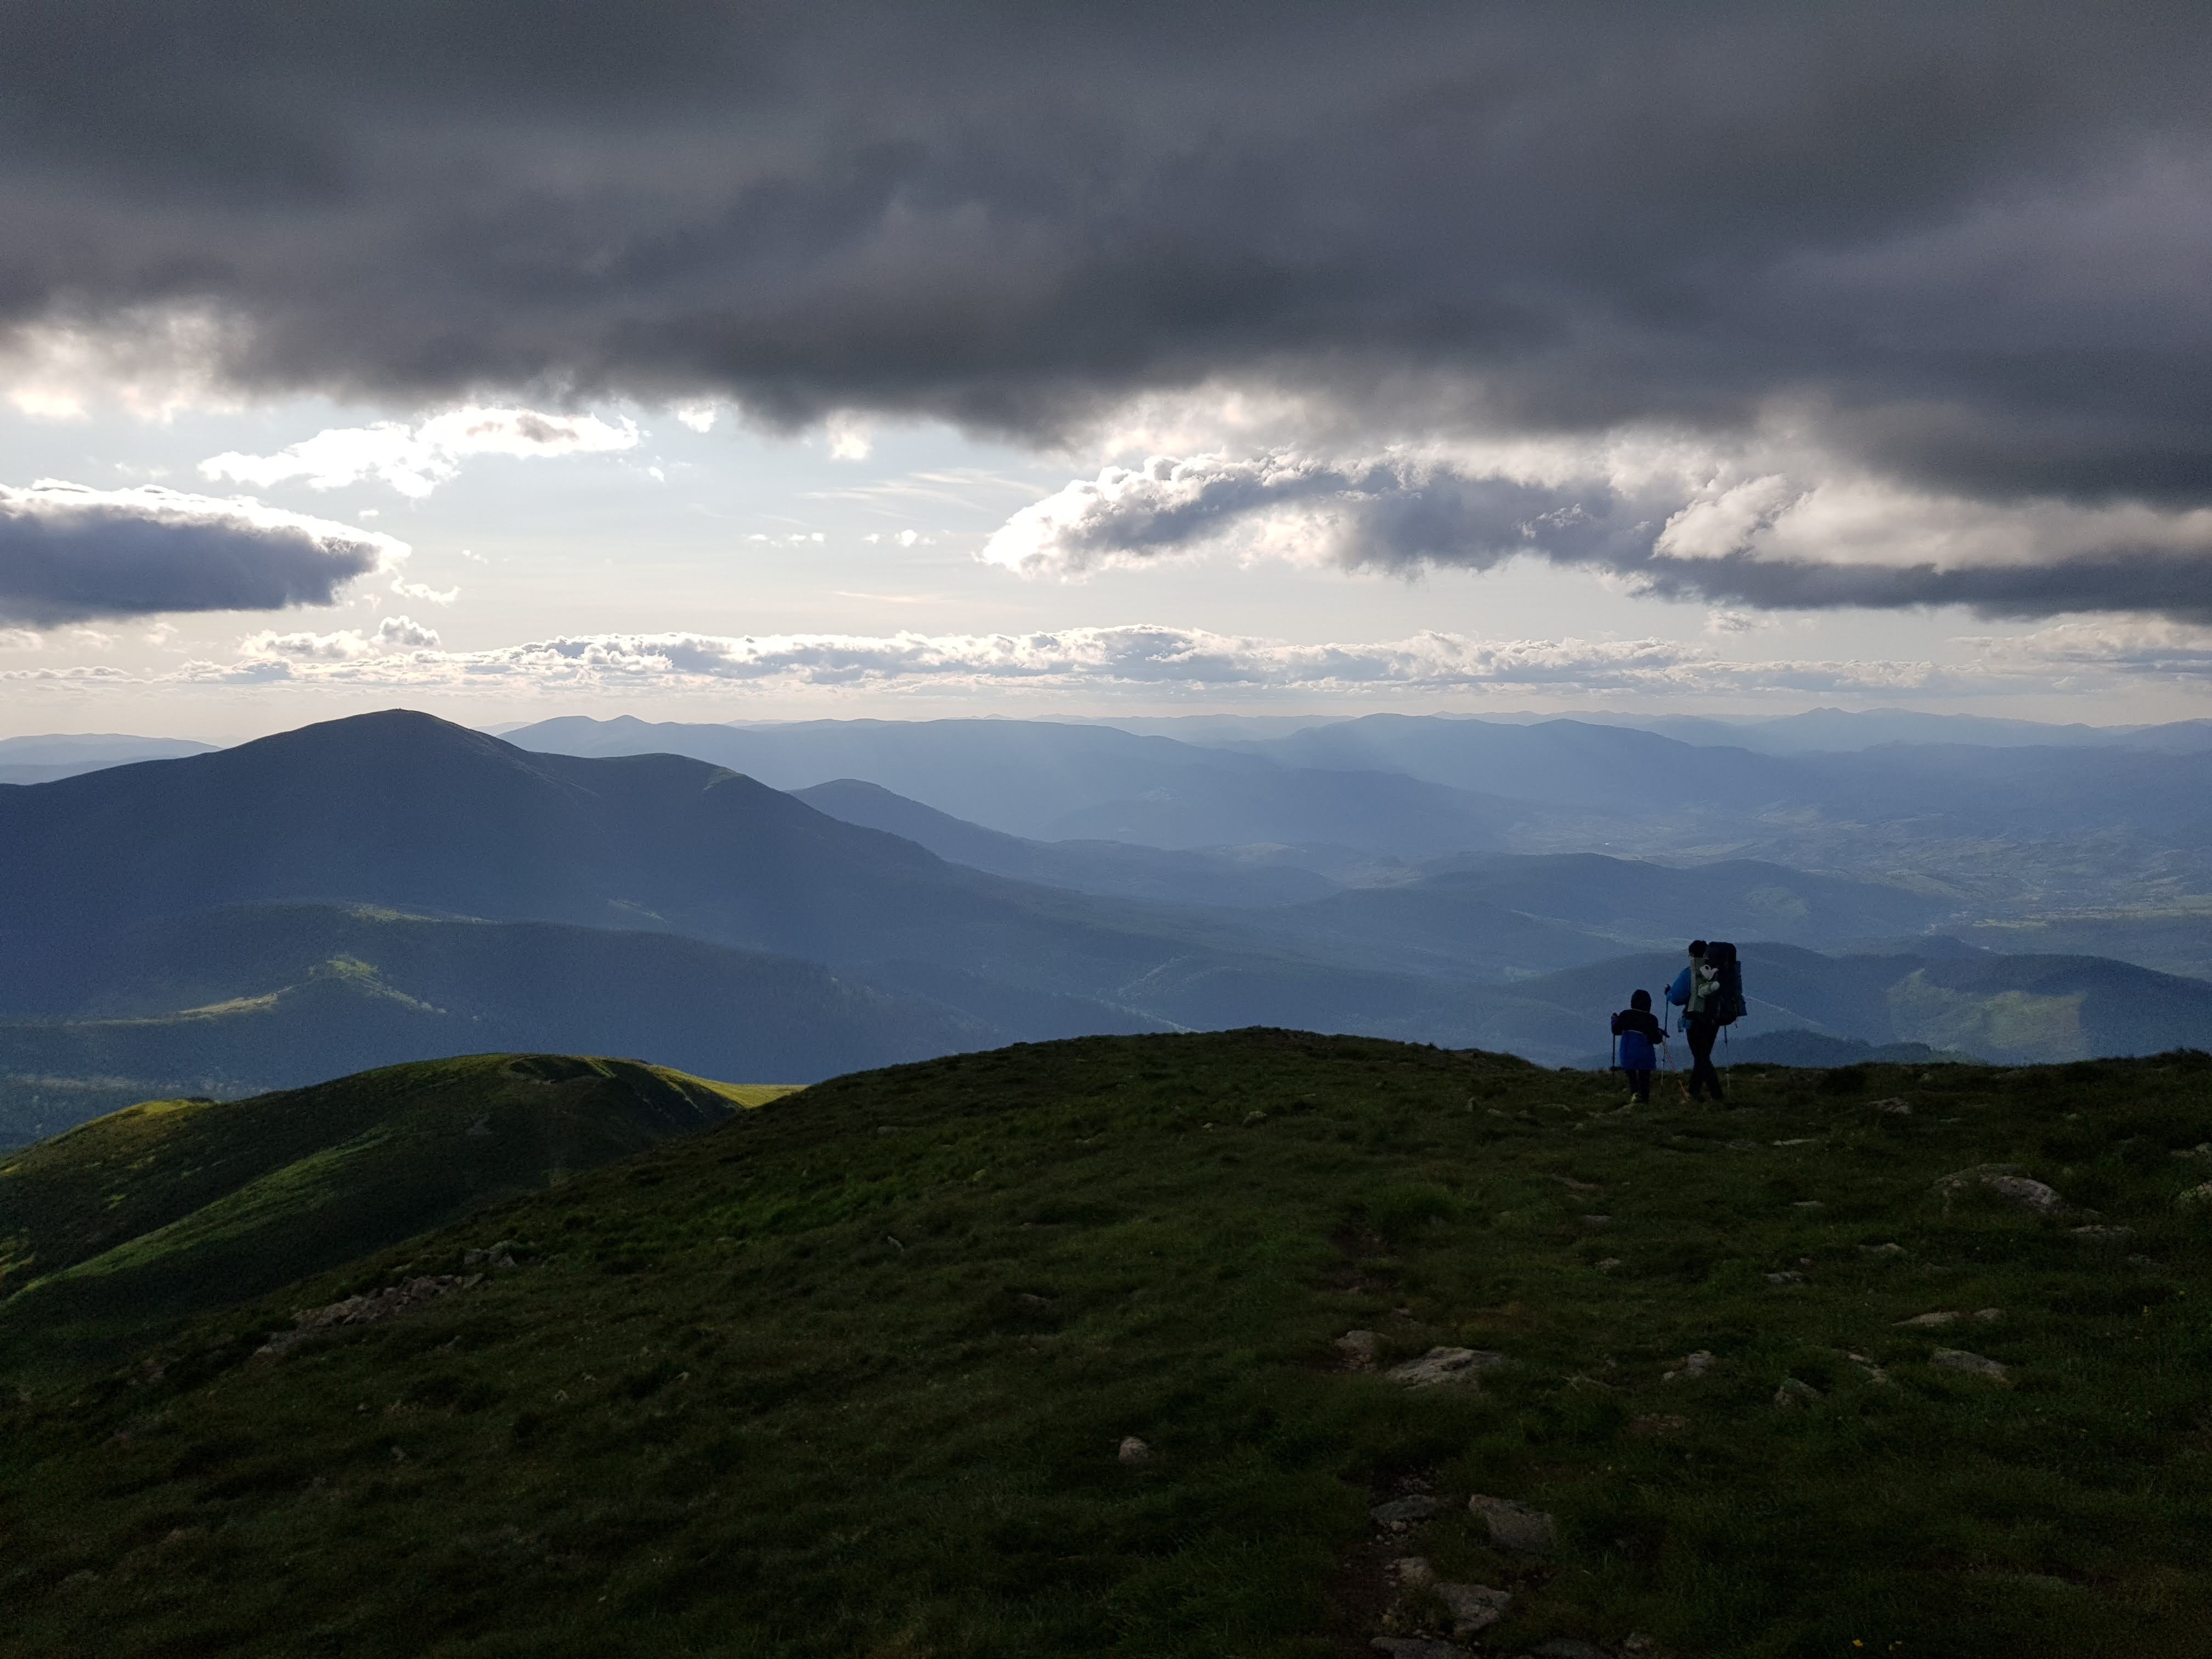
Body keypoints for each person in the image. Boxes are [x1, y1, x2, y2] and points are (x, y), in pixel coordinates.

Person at [1667, 939, 1725, 1102]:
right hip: (1714, 1020)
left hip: (1695, 1020)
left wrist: (1668, 993)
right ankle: (1694, 1091)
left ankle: (1717, 1095)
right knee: (1703, 1056)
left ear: (1692, 955)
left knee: (1701, 1057)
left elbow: (1677, 997)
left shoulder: (1690, 973)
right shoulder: (1716, 971)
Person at [1610, 988, 1666, 1103]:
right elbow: (1656, 1039)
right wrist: (1660, 1034)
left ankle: (1635, 1096)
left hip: (1628, 1054)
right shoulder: (1652, 1019)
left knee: (1632, 1076)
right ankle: (1645, 1100)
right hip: (1646, 1057)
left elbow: (1616, 1031)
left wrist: (1614, 1021)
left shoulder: (1625, 1015)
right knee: (1645, 1078)